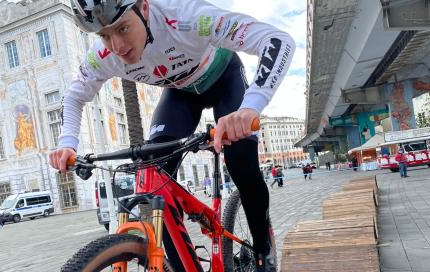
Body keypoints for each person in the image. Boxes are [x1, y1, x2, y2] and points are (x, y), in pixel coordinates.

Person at [49, 1, 295, 271]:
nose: (117, 46)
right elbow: (73, 98)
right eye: (105, 35)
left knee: (241, 162)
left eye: (123, 28)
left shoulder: (186, 16)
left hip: (225, 80)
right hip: (179, 95)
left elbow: (277, 40)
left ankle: (263, 248)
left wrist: (250, 107)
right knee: (154, 169)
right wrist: (67, 144)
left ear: (144, 8)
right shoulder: (102, 56)